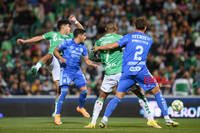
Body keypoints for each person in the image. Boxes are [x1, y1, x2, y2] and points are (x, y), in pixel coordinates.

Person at [94, 17, 179, 128]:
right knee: (156, 90)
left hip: (127, 73)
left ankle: (104, 120)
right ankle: (167, 118)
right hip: (141, 72)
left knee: (117, 96)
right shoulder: (149, 40)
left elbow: (111, 46)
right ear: (145, 28)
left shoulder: (128, 37)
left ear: (134, 26)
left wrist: (98, 47)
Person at [85, 22, 160, 128]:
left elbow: (92, 57)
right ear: (116, 28)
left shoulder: (99, 41)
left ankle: (92, 122)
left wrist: (103, 59)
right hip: (122, 73)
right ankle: (151, 120)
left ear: (106, 28)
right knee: (139, 94)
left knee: (102, 96)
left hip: (109, 73)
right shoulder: (121, 37)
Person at [17, 16, 84, 117]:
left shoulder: (70, 36)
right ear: (64, 26)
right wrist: (25, 41)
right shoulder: (53, 34)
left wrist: (75, 21)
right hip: (52, 59)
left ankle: (56, 112)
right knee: (50, 54)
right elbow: (39, 38)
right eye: (69, 26)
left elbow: (82, 32)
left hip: (61, 64)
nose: (70, 28)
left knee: (60, 89)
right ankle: (36, 67)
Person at [54, 28, 98, 125]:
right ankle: (57, 115)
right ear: (80, 35)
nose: (85, 37)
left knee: (84, 91)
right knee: (64, 92)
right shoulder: (67, 42)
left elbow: (86, 60)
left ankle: (80, 107)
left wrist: (93, 64)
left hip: (77, 71)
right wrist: (61, 58)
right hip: (66, 70)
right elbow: (55, 51)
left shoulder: (83, 46)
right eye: (84, 35)